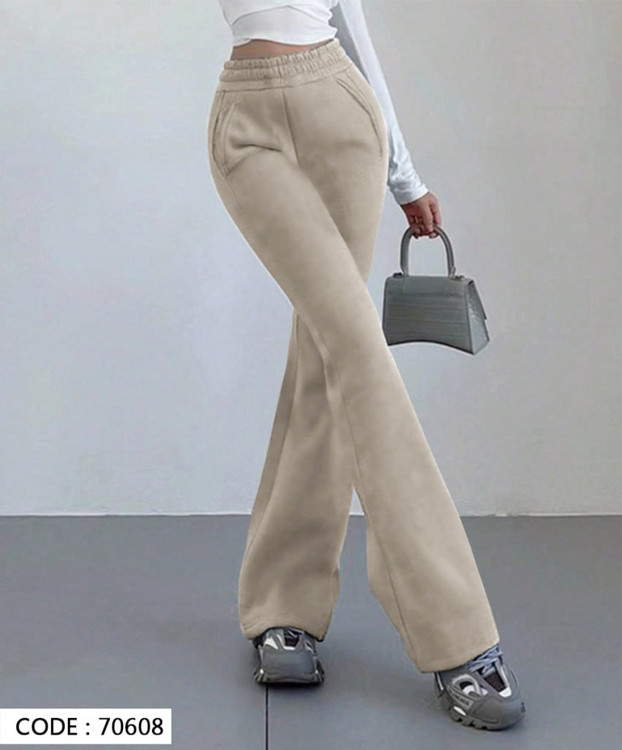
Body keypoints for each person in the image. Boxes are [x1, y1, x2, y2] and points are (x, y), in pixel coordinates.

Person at [208, 0, 526, 731]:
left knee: (330, 353)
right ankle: (458, 634)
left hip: (340, 111)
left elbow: (352, 27)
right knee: (353, 350)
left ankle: (285, 608)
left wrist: (405, 178)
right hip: (247, 121)